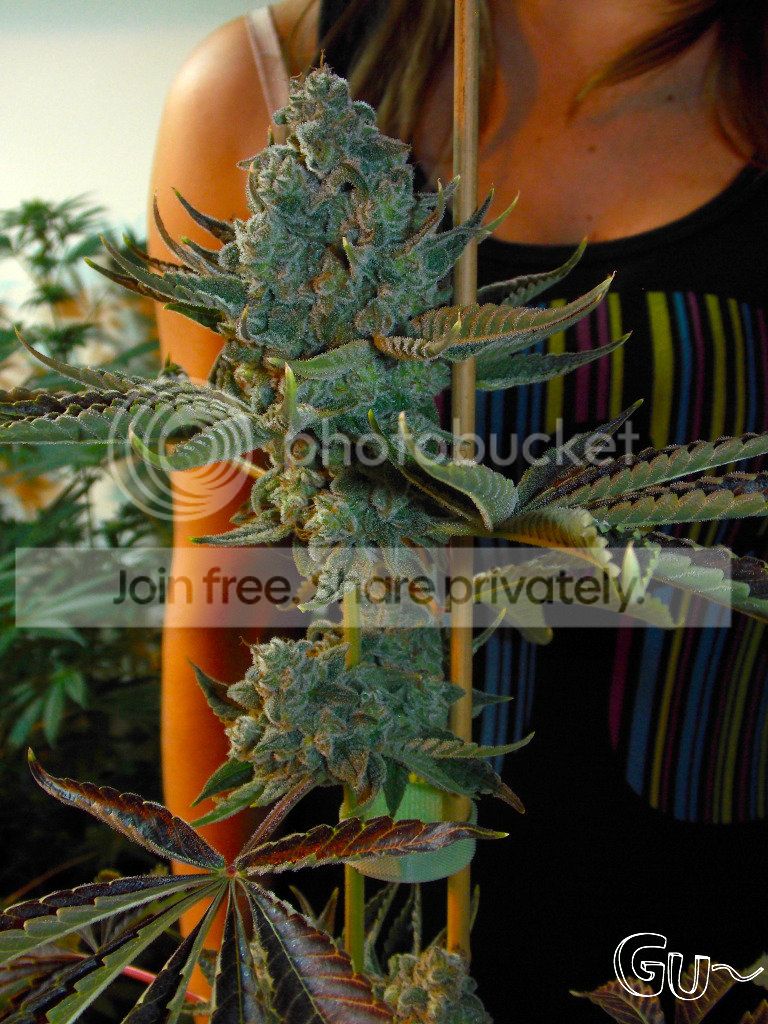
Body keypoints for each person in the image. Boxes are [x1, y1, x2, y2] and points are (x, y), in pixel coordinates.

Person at [148, 2, 768, 1019]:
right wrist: (221, 955)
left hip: (713, 927)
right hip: (344, 942)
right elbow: (222, 570)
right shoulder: (263, 88)